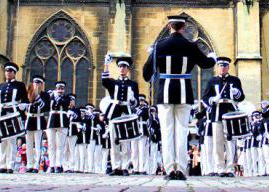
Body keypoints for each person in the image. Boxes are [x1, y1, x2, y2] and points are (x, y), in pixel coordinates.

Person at [143, 14, 216, 181]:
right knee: (182, 131)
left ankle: (169, 169)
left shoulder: (159, 46)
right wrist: (213, 57)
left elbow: (147, 73)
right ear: (183, 28)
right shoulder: (190, 46)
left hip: (165, 93)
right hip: (184, 93)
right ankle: (182, 169)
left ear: (170, 27)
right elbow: (206, 63)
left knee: (167, 131)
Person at [202, 56, 244, 177]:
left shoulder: (235, 80)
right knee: (218, 142)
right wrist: (211, 99)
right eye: (220, 66)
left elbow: (241, 97)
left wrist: (237, 93)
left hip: (230, 113)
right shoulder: (212, 81)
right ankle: (220, 168)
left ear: (228, 67)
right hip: (217, 113)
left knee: (231, 142)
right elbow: (205, 97)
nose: (223, 68)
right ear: (217, 67)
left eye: (225, 66)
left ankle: (230, 168)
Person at [0, 61, 30, 174]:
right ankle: (2, 165)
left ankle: (10, 165)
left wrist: (23, 105)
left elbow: (25, 99)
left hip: (12, 114)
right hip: (1, 114)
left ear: (14, 73)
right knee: (2, 141)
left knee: (12, 140)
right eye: (6, 71)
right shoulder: (0, 86)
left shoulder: (20, 85)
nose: (8, 73)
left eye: (10, 71)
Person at [102, 53, 139, 176]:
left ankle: (125, 166)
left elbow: (136, 102)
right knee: (114, 140)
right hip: (115, 112)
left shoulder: (133, 84)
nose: (122, 68)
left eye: (124, 67)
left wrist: (133, 100)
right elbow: (105, 81)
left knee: (126, 141)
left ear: (128, 69)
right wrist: (106, 64)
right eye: (120, 66)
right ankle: (116, 166)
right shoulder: (114, 83)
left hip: (127, 112)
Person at [45, 81, 72, 173]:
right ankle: (51, 165)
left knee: (60, 145)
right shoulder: (51, 97)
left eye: (62, 89)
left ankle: (58, 165)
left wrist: (56, 97)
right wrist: (50, 96)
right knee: (51, 145)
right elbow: (46, 106)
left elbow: (64, 104)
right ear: (56, 89)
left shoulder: (67, 97)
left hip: (62, 121)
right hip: (52, 121)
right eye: (58, 88)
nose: (60, 90)